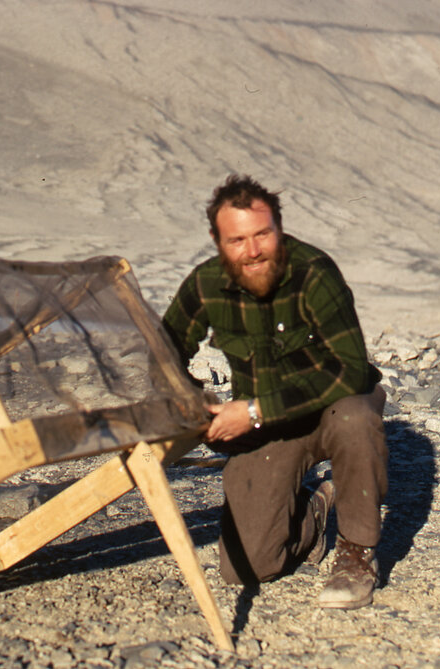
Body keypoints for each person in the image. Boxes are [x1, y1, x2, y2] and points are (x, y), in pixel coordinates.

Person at [162, 173, 388, 609]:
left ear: (279, 228)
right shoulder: (206, 284)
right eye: (237, 240)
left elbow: (351, 370)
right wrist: (195, 404)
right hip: (269, 426)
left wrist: (252, 412)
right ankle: (314, 511)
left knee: (355, 417)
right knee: (247, 567)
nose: (252, 251)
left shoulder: (314, 273)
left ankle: (357, 552)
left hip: (331, 408)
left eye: (263, 235)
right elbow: (162, 351)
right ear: (217, 239)